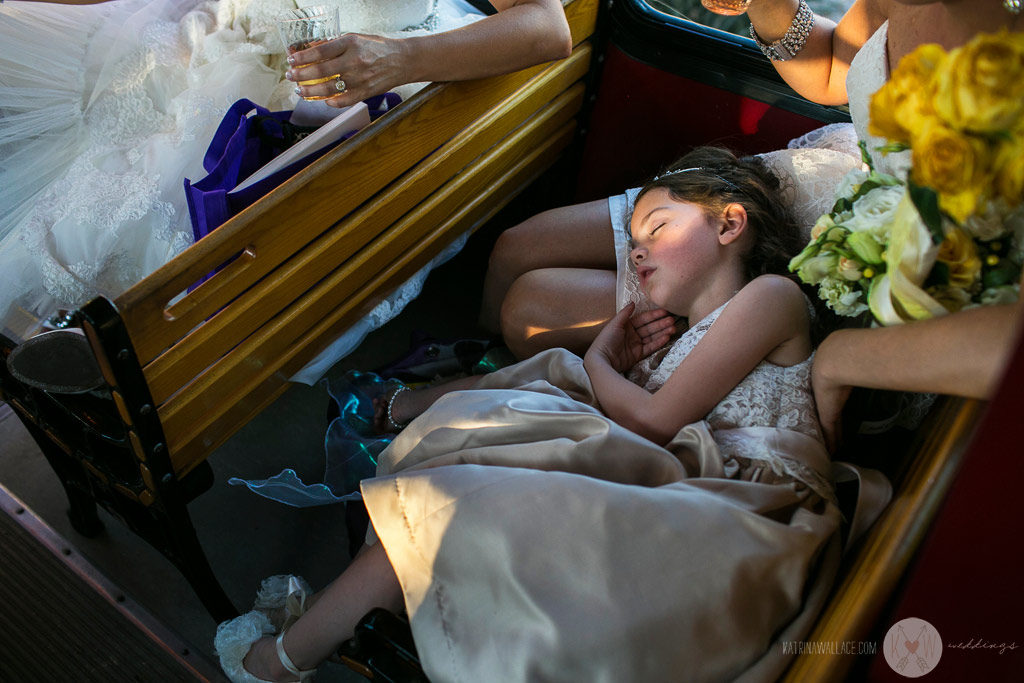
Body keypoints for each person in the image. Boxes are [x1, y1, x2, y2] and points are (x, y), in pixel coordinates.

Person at [215, 146, 860, 682]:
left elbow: (656, 422)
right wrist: (618, 364)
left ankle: (282, 659)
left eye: (657, 230)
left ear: (729, 225)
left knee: (458, 494)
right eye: (634, 244)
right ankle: (315, 631)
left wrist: (605, 358)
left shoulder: (773, 297)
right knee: (494, 443)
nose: (638, 254)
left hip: (735, 511)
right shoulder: (687, 335)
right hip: (686, 476)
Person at [479, 0, 1023, 443]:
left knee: (532, 307)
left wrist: (837, 357)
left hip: (866, 282)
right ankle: (464, 363)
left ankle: (483, 380)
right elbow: (837, 65)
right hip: (807, 190)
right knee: (517, 248)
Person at [0, 0, 571, 342]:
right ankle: (81, 340)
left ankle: (105, 353)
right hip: (215, 47)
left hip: (342, 90)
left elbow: (547, 26)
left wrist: (399, 58)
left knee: (132, 227)